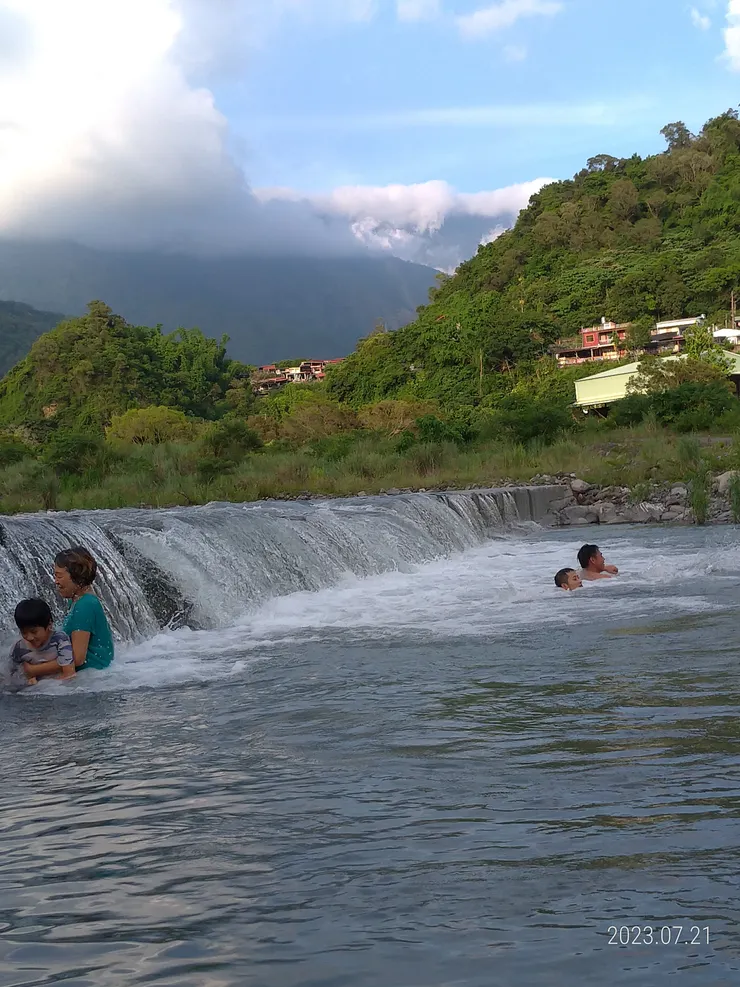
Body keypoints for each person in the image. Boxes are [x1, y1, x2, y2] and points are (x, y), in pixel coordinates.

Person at [52, 547, 115, 671]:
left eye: (59, 576)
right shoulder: (78, 601)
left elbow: (77, 658)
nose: (56, 581)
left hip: (93, 676)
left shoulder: (85, 605)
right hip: (97, 674)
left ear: (77, 577)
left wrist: (36, 669)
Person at [9, 598, 75, 685]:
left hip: (58, 688)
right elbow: (12, 676)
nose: (29, 637)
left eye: (34, 632)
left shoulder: (60, 640)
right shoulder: (19, 648)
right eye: (24, 632)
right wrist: (27, 681)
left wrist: (44, 687)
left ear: (49, 625)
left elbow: (70, 674)